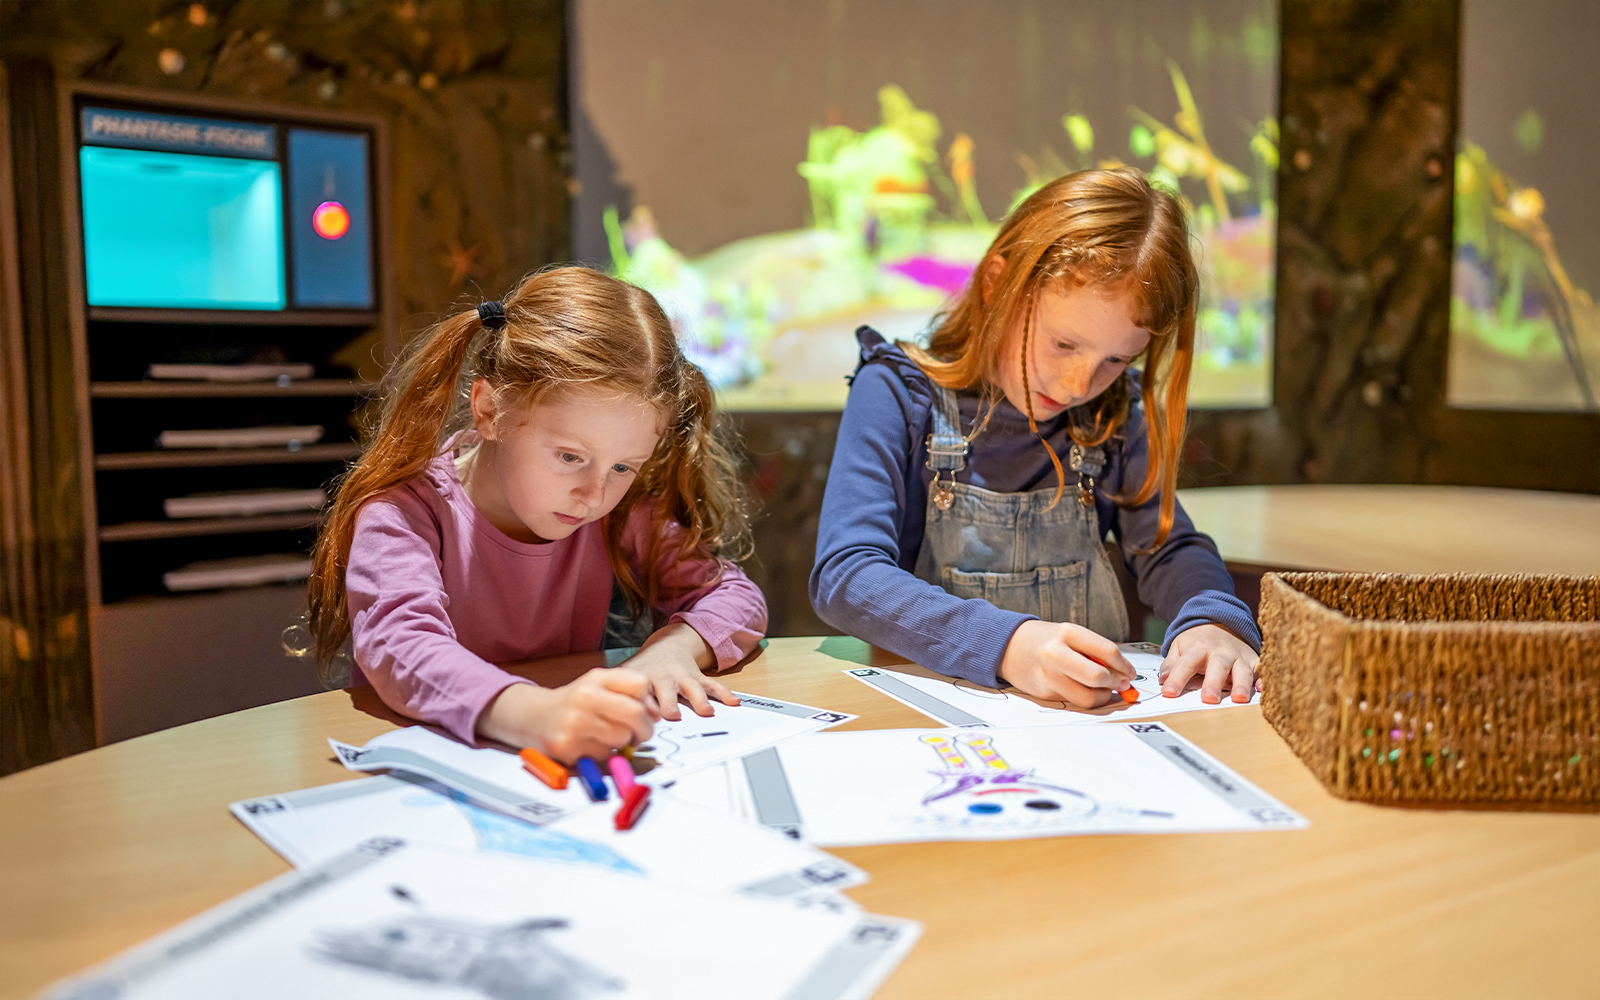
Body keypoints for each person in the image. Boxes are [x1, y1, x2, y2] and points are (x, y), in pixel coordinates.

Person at [811, 168, 1259, 710]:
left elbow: (1166, 546)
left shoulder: (1115, 412)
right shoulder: (898, 394)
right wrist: (1009, 646)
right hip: (934, 719)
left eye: (1116, 360)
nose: (1079, 386)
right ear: (996, 283)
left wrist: (1211, 617)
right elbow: (848, 576)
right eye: (1064, 343)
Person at [306, 267, 766, 762]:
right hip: (434, 764)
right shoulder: (404, 512)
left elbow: (734, 595)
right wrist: (535, 716)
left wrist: (673, 648)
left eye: (623, 466)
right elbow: (401, 647)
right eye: (569, 456)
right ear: (489, 411)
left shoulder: (616, 513)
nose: (593, 494)